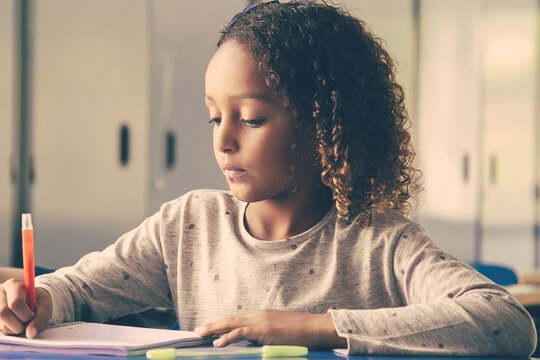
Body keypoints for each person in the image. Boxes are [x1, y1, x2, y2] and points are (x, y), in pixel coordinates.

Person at [0, 1, 536, 356]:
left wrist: (318, 327)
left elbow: (505, 324)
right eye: (215, 117)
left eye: (250, 118)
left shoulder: (380, 243)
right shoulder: (188, 225)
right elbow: (77, 288)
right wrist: (41, 297)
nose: (223, 139)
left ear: (327, 125)